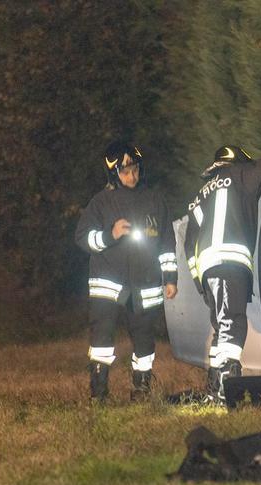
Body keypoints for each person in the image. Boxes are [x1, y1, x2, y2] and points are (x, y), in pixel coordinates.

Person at [184, 145, 261, 404]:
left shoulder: (200, 195)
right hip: (231, 263)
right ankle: (227, 385)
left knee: (221, 325)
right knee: (233, 323)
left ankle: (215, 385)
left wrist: (199, 282)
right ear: (239, 160)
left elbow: (190, 244)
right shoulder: (243, 173)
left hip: (207, 269)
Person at [74, 140, 178, 403]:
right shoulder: (101, 202)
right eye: (125, 171)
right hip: (108, 283)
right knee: (102, 339)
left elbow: (167, 243)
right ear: (113, 173)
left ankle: (142, 390)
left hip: (146, 282)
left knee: (144, 338)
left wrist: (170, 278)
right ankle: (99, 394)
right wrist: (110, 235)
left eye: (135, 169)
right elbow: (82, 238)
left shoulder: (155, 200)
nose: (132, 176)